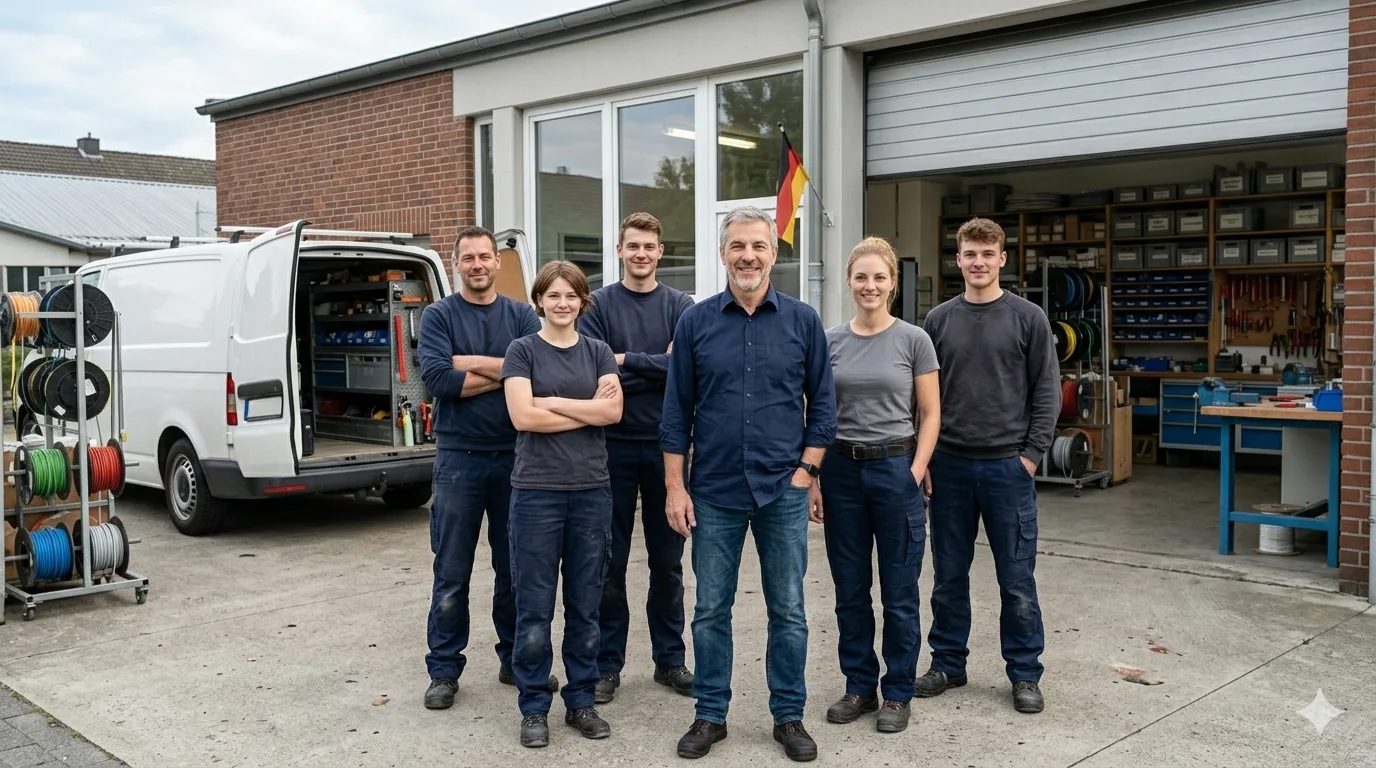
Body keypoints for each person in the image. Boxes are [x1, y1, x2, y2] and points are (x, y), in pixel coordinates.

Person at [660, 205, 837, 763]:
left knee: (789, 609)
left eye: (758, 246)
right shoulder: (695, 322)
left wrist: (807, 472)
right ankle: (710, 714)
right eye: (737, 246)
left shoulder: (803, 321)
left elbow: (824, 407)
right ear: (722, 254)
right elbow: (675, 412)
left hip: (782, 491)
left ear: (774, 253)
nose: (748, 256)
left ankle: (788, 716)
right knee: (711, 609)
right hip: (712, 492)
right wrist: (675, 487)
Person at [916, 217, 1058, 715]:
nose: (978, 263)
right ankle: (948, 663)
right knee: (949, 575)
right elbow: (924, 397)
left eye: (987, 254)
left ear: (1002, 259)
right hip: (950, 467)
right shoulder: (937, 321)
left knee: (1016, 579)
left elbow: (1047, 390)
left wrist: (1031, 455)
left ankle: (1024, 673)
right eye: (969, 254)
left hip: (1007, 469)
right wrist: (925, 456)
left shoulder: (1028, 318)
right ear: (958, 260)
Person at [416, 225, 559, 712]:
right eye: (468, 258)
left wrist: (471, 366)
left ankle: (515, 658)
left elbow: (534, 374)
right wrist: (504, 373)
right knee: (451, 569)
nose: (477, 265)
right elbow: (437, 379)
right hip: (459, 459)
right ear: (456, 263)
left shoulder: (520, 313)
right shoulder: (438, 315)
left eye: (484, 256)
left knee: (514, 568)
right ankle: (443, 669)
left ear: (498, 262)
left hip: (517, 458)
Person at [808, 237, 941, 734]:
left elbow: (930, 415)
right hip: (840, 472)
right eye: (861, 277)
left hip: (895, 470)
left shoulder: (914, 340)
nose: (870, 286)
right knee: (850, 589)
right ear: (849, 282)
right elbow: (816, 412)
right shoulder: (829, 340)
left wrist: (914, 470)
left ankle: (899, 692)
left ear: (892, 283)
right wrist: (815, 475)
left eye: (879, 278)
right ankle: (859, 686)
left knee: (900, 592)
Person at [501, 260, 623, 748]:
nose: (562, 303)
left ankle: (581, 701)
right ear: (539, 301)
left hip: (591, 492)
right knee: (533, 607)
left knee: (585, 604)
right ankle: (534, 706)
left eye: (571, 295)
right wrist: (583, 410)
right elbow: (522, 418)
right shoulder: (522, 350)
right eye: (553, 295)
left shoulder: (597, 351)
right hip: (535, 494)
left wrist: (551, 402)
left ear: (582, 302)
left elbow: (612, 411)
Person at [576, 212, 696, 704]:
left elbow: (685, 369)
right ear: (620, 251)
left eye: (650, 246)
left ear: (660, 252)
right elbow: (594, 374)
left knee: (668, 563)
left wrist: (626, 360)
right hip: (611, 448)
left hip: (669, 449)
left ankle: (670, 661)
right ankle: (608, 665)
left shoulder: (681, 306)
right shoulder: (597, 305)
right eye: (633, 246)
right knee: (610, 563)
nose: (641, 254)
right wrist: (652, 364)